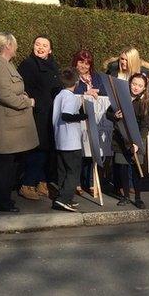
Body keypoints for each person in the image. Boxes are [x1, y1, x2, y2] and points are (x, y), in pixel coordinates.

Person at [0, 32, 38, 213]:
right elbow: (5, 95)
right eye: (14, 44)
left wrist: (23, 96)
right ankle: (1, 201)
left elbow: (13, 90)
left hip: (13, 123)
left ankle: (3, 198)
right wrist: (27, 102)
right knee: (3, 164)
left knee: (11, 163)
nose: (16, 47)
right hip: (4, 123)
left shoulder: (7, 64)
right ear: (7, 45)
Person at [17, 35, 61, 201]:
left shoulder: (53, 65)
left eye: (44, 45)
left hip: (51, 114)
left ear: (50, 50)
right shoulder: (27, 64)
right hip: (36, 114)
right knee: (36, 149)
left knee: (47, 150)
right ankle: (27, 183)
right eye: (37, 44)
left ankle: (42, 182)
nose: (40, 47)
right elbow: (24, 88)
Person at [108, 72, 149, 208]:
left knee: (136, 169)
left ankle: (138, 197)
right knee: (123, 169)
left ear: (144, 88)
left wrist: (138, 142)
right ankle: (125, 196)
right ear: (129, 83)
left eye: (140, 85)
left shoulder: (144, 104)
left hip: (135, 142)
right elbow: (108, 114)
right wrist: (115, 115)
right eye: (134, 84)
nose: (136, 87)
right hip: (120, 141)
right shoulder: (120, 99)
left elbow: (145, 125)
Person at [71, 49, 109, 195]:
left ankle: (91, 181)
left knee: (92, 151)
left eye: (87, 63)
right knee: (79, 151)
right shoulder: (72, 76)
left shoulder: (96, 77)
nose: (84, 66)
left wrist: (97, 94)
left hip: (96, 118)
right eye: (81, 62)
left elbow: (105, 94)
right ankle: (77, 182)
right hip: (78, 119)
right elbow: (69, 94)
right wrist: (85, 94)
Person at [52, 69, 85, 212]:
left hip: (60, 140)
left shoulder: (59, 95)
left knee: (63, 171)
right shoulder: (71, 97)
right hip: (71, 142)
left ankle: (65, 196)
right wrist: (82, 116)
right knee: (73, 171)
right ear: (76, 82)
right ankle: (63, 199)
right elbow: (66, 115)